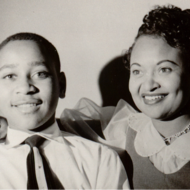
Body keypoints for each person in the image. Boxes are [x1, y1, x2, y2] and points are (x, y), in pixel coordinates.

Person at [61, 5, 190, 190]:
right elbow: (59, 127)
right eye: (137, 71)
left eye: (164, 69)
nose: (148, 85)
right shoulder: (127, 129)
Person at [0, 32, 129, 189]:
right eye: (9, 76)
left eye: (40, 74)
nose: (25, 87)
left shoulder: (100, 159)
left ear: (61, 85)